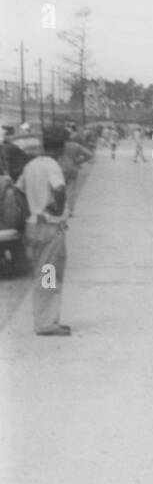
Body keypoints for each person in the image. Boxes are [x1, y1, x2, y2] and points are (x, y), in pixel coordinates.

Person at [15, 125, 71, 335]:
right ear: (61, 147)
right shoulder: (52, 165)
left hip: (33, 225)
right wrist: (56, 208)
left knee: (42, 274)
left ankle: (44, 320)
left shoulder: (31, 166)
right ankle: (46, 323)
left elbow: (18, 191)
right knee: (50, 275)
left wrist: (30, 209)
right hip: (49, 226)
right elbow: (59, 189)